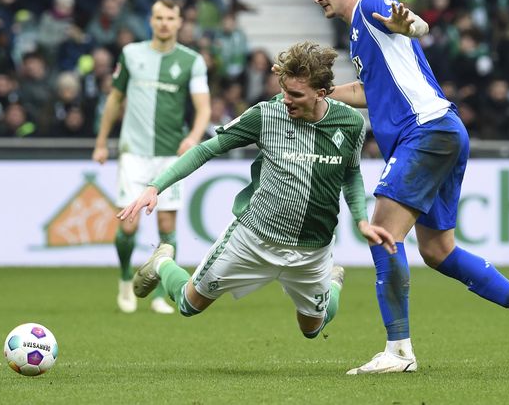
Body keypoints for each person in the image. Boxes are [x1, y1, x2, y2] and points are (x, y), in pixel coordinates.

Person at [305, 0, 509, 373]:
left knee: (382, 232)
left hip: (423, 131)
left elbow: (408, 20)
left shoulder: (371, 5)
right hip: (443, 130)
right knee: (438, 250)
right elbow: (372, 91)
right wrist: (324, 96)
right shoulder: (360, 34)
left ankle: (398, 351)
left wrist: (412, 22)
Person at [117, 41, 396, 339]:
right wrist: (155, 186)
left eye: (296, 95)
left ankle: (332, 282)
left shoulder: (351, 123)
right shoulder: (266, 115)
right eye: (284, 90)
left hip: (313, 249)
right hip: (253, 238)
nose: (286, 100)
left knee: (312, 330)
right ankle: (161, 261)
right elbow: (206, 149)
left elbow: (351, 175)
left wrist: (361, 220)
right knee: (188, 305)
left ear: (322, 93)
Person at [92, 0, 211, 315]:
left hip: (171, 157)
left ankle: (159, 292)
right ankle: (123, 280)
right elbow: (115, 100)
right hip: (133, 153)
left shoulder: (191, 61)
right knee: (128, 225)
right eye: (158, 17)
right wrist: (102, 142)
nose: (164, 23)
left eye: (170, 18)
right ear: (151, 20)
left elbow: (203, 108)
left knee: (166, 224)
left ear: (179, 21)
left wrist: (193, 138)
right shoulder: (131, 54)